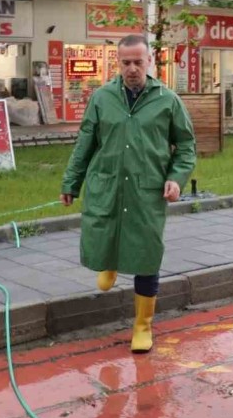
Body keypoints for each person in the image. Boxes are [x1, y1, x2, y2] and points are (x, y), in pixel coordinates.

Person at [60, 34, 197, 353]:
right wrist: (71, 182)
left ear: (150, 61)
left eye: (138, 61)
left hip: (146, 189)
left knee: (147, 256)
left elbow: (186, 147)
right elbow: (85, 142)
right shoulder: (102, 97)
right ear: (117, 63)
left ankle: (142, 325)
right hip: (107, 184)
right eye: (126, 62)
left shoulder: (168, 99)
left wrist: (176, 177)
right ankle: (109, 262)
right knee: (103, 231)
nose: (132, 68)